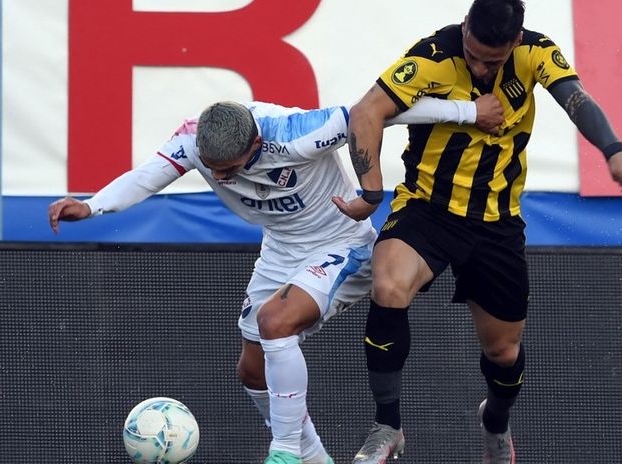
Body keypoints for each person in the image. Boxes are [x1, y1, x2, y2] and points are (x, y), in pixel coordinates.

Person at [49, 96, 497, 464]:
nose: (219, 177)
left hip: (342, 244)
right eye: (212, 168)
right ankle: (314, 457)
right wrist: (91, 206)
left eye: (229, 169)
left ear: (257, 143)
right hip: (280, 251)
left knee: (275, 323)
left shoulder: (298, 132)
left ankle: (284, 452)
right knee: (252, 370)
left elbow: (381, 110)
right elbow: (147, 176)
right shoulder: (192, 140)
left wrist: (469, 112)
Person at [331, 0, 622, 463]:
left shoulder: (535, 52)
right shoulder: (432, 55)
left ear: (516, 42)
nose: (481, 68)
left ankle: (496, 422)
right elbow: (366, 111)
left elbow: (576, 99)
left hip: (497, 223)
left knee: (504, 352)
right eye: (474, 55)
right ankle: (388, 426)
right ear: (465, 27)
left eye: (493, 61)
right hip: (427, 209)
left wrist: (614, 149)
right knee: (388, 286)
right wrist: (370, 190)